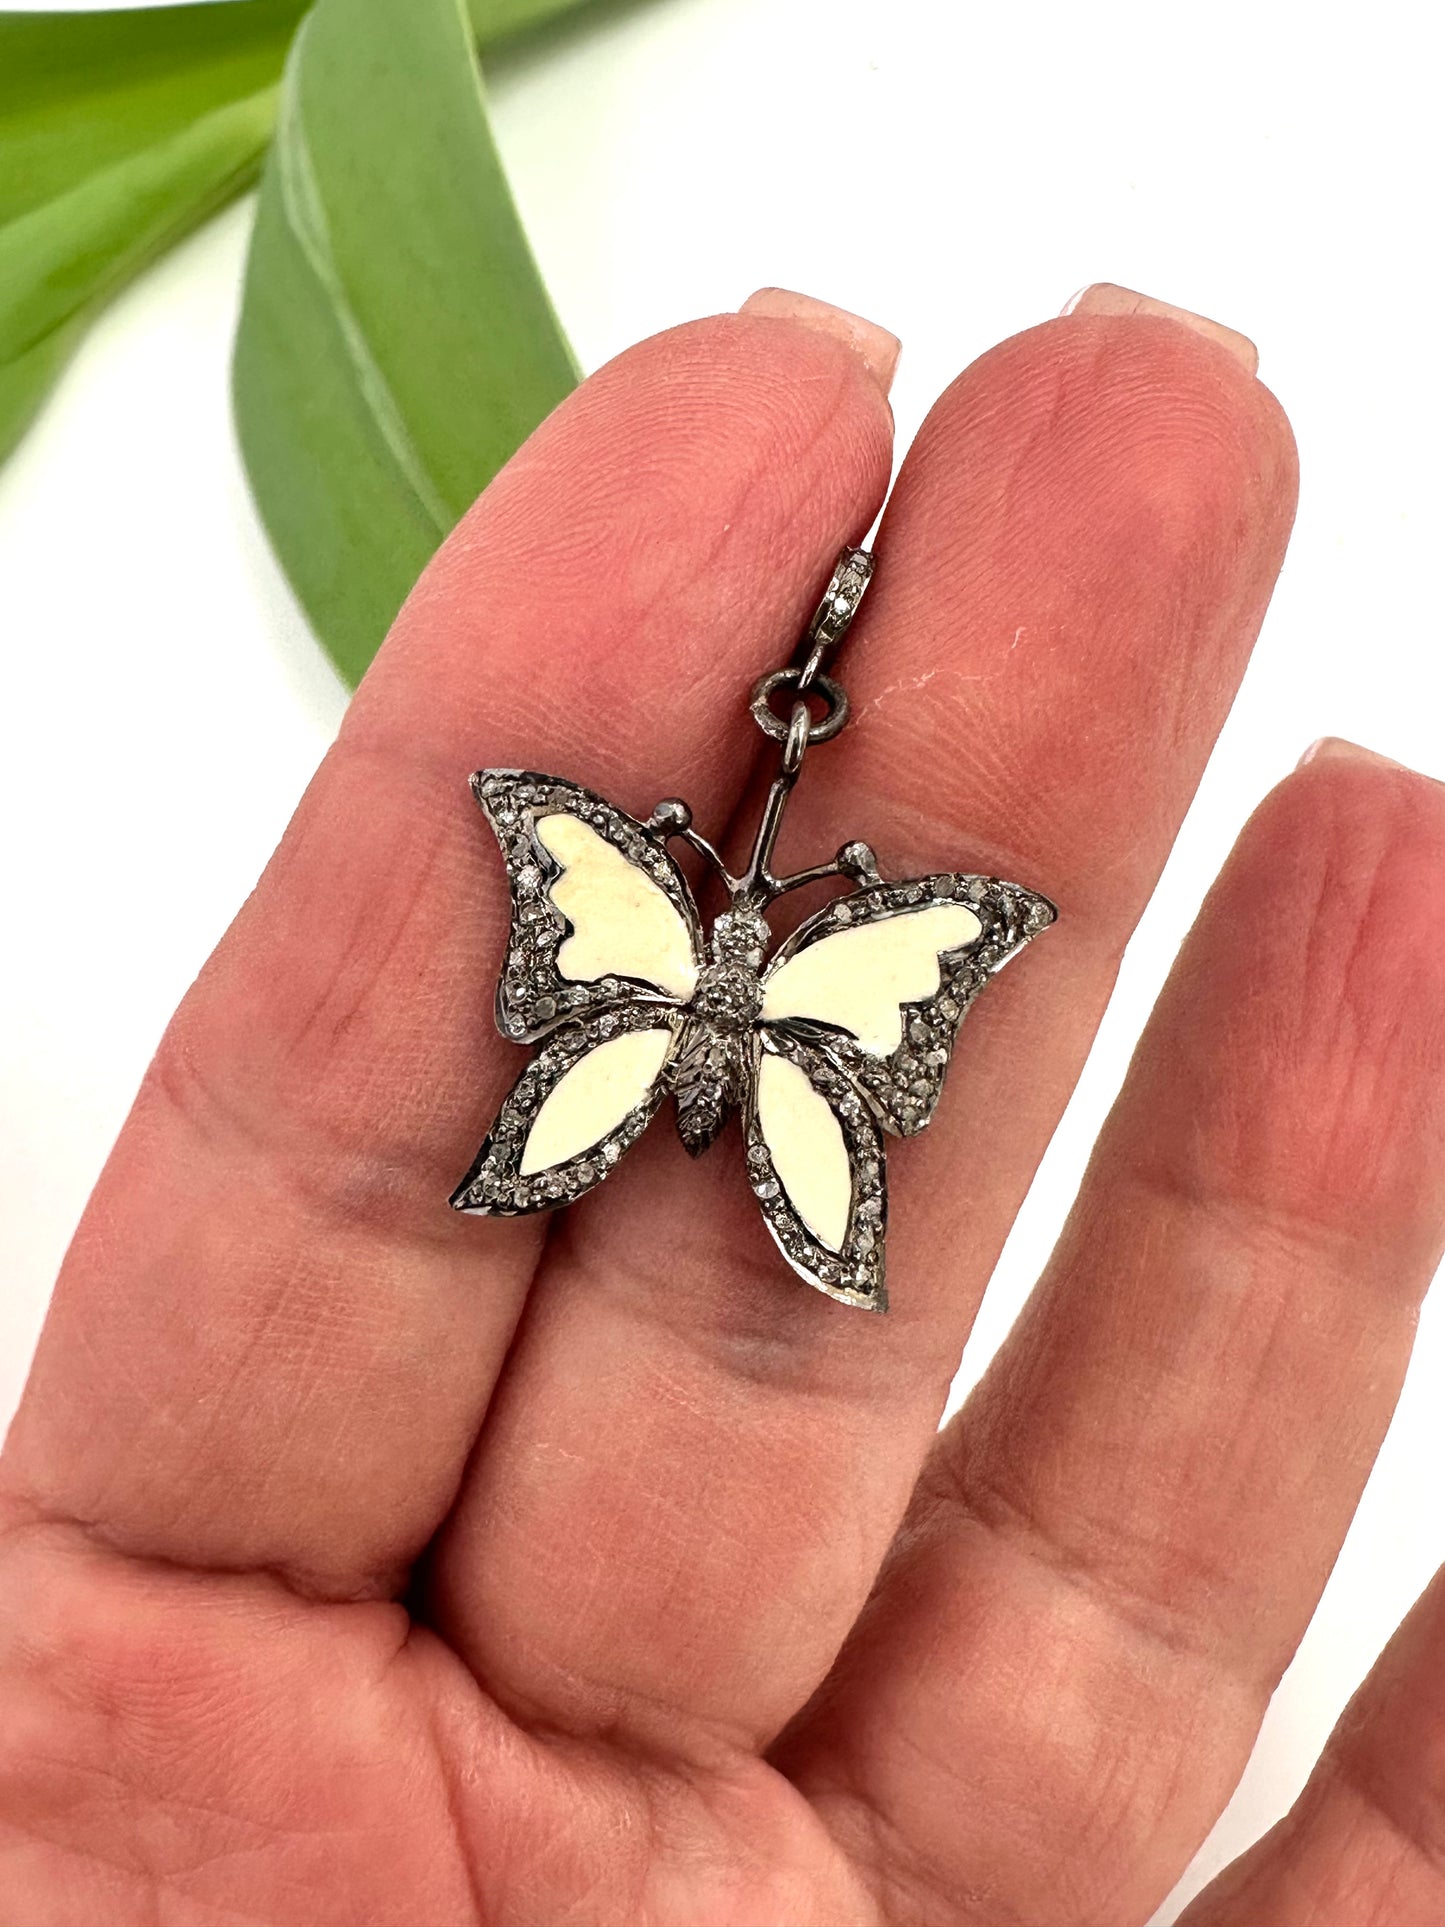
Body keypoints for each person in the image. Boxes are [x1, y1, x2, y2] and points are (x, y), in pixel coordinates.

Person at [2, 284, 1440, 1927]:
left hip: (650, 1039)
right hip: (775, 1064)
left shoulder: (644, 871)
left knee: (635, 1154)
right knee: (750, 1179)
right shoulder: (823, 916)